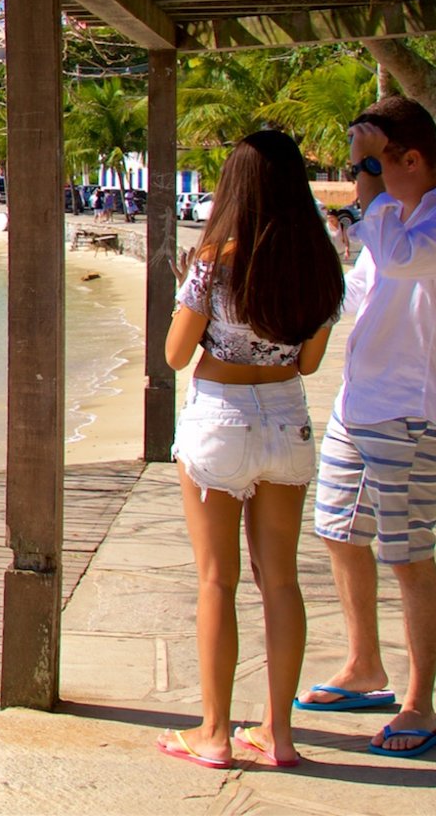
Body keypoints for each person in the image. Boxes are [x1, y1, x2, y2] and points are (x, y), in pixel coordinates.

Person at [298, 96, 436, 761]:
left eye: (374, 166)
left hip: (410, 408)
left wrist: (372, 200)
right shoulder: (395, 216)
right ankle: (364, 667)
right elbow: (362, 290)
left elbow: (403, 260)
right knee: (337, 531)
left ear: (412, 159)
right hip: (360, 402)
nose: (364, 180)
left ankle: (420, 701)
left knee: (407, 553)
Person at [157, 129, 344, 771]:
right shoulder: (322, 265)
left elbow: (176, 355)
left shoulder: (215, 259)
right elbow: (311, 362)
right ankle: (279, 734)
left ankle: (213, 733)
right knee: (282, 581)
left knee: (217, 580)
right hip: (287, 419)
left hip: (220, 421)